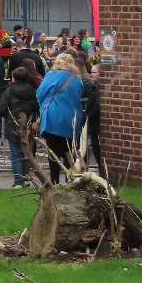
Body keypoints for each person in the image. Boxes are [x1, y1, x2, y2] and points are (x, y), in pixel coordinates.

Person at [37, 53, 85, 185]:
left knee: (53, 151)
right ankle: (71, 180)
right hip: (73, 118)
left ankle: (54, 180)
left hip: (53, 116)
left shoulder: (51, 76)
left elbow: (40, 94)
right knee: (70, 150)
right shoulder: (77, 79)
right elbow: (80, 93)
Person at [0, 65, 39, 187]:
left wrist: (6, 115)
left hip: (13, 125)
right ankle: (25, 179)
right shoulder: (32, 90)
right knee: (27, 153)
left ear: (14, 78)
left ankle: (18, 181)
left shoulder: (8, 91)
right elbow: (37, 107)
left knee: (16, 154)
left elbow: (1, 109)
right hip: (29, 125)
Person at [84, 65, 102, 172]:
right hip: (93, 122)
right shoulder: (95, 86)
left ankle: (101, 170)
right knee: (95, 148)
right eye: (91, 72)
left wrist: (88, 116)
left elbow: (97, 106)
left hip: (95, 123)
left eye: (94, 72)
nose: (92, 74)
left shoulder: (98, 88)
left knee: (97, 149)